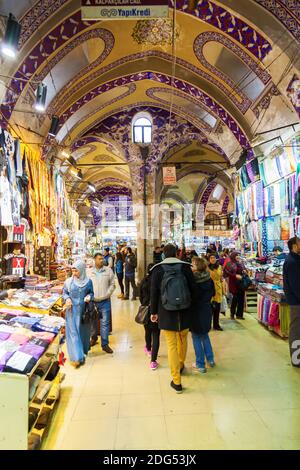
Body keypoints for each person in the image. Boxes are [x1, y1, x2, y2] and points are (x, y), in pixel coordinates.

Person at [150, 244, 195, 393]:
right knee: (183, 338)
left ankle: (177, 381)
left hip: (166, 312)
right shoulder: (185, 268)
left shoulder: (157, 270)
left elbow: (154, 294)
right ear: (176, 253)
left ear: (164, 254)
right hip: (185, 311)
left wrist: (153, 312)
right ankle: (181, 364)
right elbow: (193, 289)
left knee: (171, 345)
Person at [63, 260, 94, 368]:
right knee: (73, 334)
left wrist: (89, 297)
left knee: (83, 333)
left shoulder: (88, 281)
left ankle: (82, 352)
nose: (74, 273)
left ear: (81, 270)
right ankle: (76, 357)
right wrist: (67, 299)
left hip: (83, 312)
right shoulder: (68, 282)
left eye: (76, 271)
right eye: (73, 271)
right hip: (71, 312)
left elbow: (91, 292)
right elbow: (65, 293)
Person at [191, 257, 215, 373]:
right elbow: (213, 293)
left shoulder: (193, 281)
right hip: (206, 309)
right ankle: (210, 359)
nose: (191, 267)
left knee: (196, 336)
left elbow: (192, 297)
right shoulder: (209, 279)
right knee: (205, 335)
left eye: (193, 265)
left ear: (197, 267)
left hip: (195, 310)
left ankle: (200, 364)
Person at [89, 253, 115, 353]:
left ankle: (105, 344)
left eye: (102, 259)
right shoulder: (89, 272)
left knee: (105, 323)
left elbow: (112, 284)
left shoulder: (108, 270)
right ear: (94, 260)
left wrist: (107, 294)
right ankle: (94, 337)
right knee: (93, 322)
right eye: (99, 259)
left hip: (105, 301)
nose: (102, 260)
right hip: (93, 301)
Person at [139, 263, 160, 370]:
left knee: (147, 331)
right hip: (156, 311)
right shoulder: (158, 282)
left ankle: (148, 348)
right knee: (156, 334)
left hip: (145, 311)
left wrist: (144, 304)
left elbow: (140, 296)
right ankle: (153, 361)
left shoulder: (144, 281)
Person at [283, 236, 300, 367]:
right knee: (296, 331)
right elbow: (296, 285)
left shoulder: (294, 259)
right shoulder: (292, 262)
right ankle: (296, 359)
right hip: (296, 302)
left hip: (295, 301)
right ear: (295, 245)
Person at [224, 251, 246, 320]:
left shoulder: (241, 263)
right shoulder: (229, 264)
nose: (238, 257)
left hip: (241, 283)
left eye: (239, 255)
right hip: (234, 283)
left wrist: (244, 272)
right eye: (237, 255)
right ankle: (232, 313)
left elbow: (243, 270)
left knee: (241, 299)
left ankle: (239, 315)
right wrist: (235, 276)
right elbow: (226, 272)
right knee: (235, 299)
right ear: (233, 256)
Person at [208, 253, 223, 331]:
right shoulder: (207, 268)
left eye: (214, 258)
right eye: (211, 258)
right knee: (209, 308)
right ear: (209, 259)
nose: (213, 259)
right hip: (209, 289)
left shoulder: (219, 266)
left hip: (218, 289)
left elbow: (220, 276)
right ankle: (208, 325)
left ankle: (216, 325)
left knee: (217, 308)